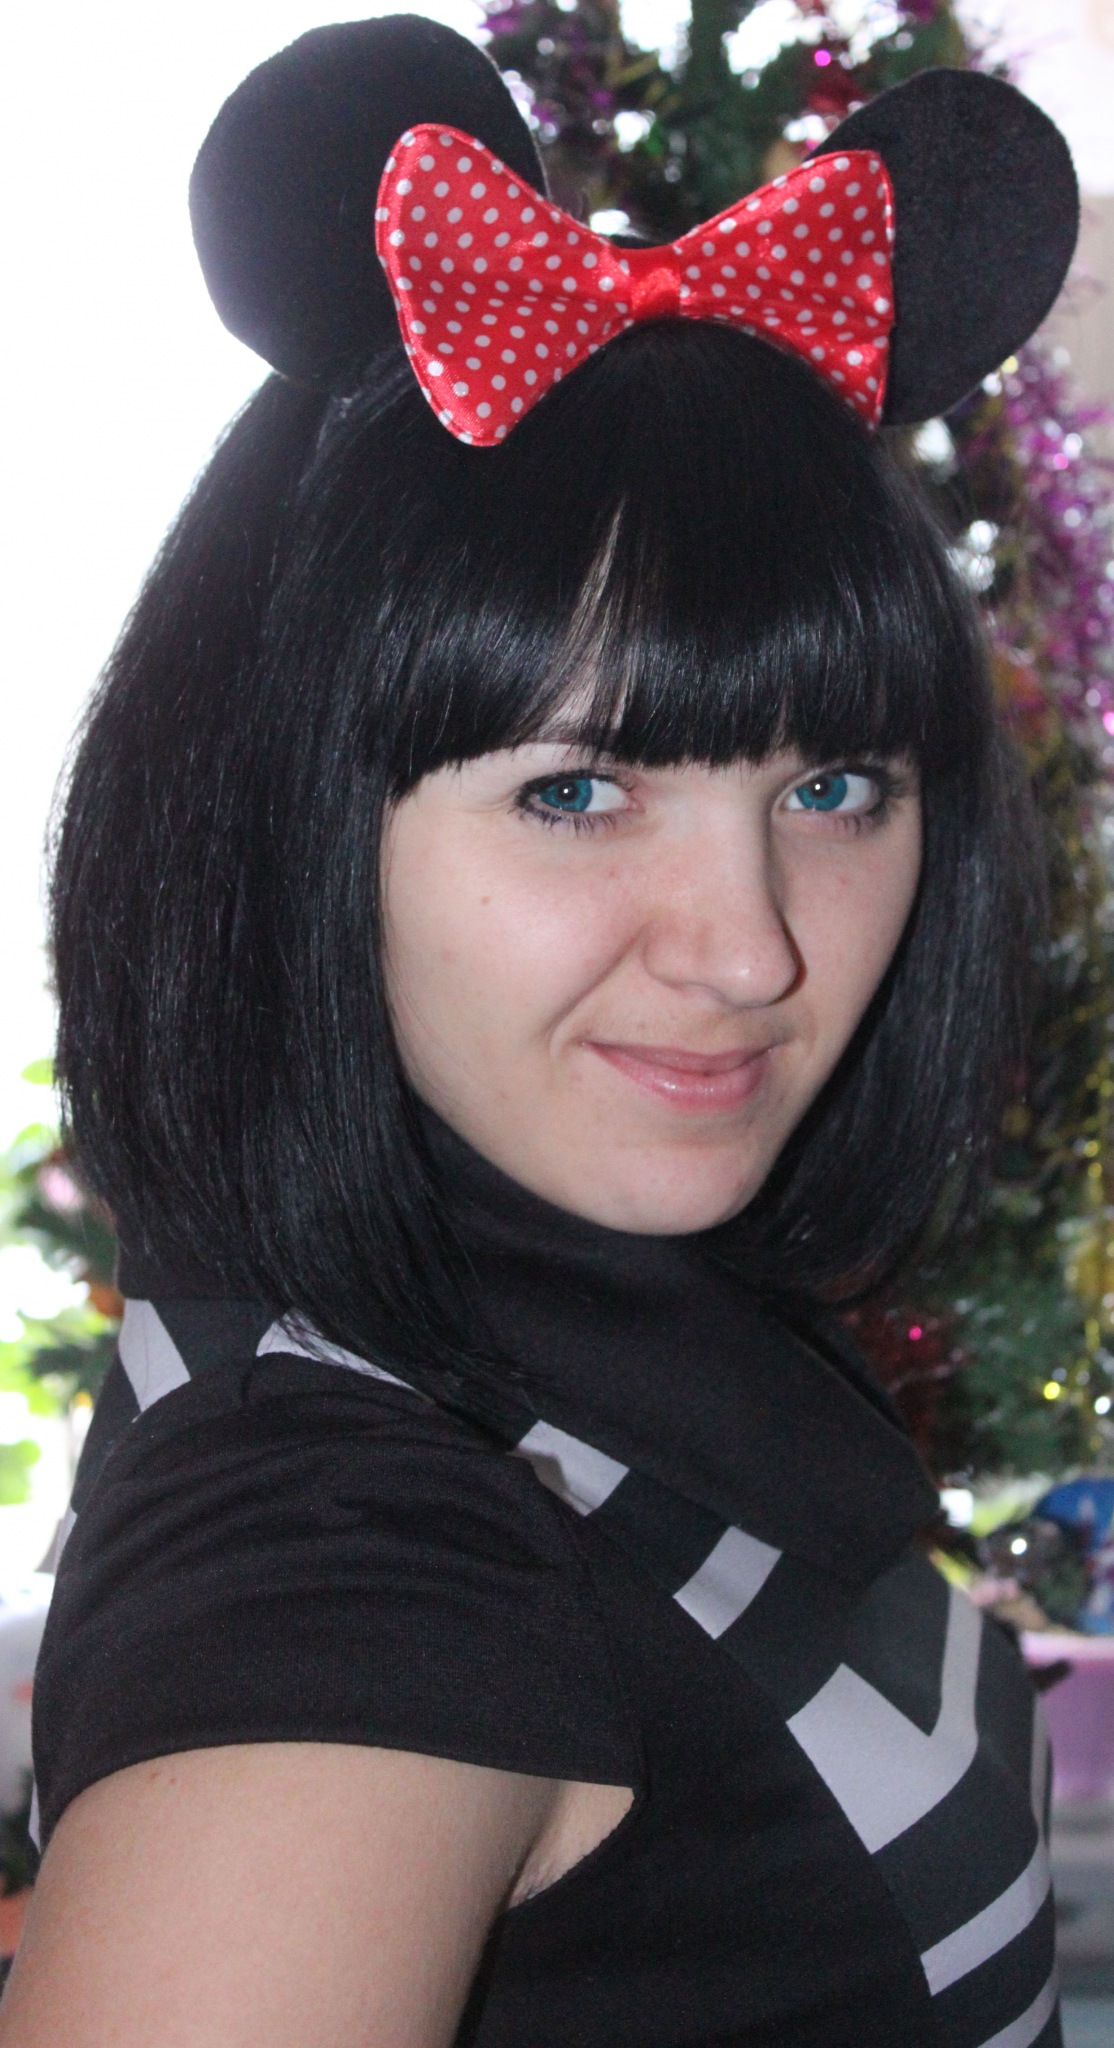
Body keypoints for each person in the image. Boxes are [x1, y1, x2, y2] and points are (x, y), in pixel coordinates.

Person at [0, 17, 1080, 2047]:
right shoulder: (348, 1562)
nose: (748, 949)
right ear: (292, 817)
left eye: (831, 784)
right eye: (575, 790)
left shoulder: (573, 1328)